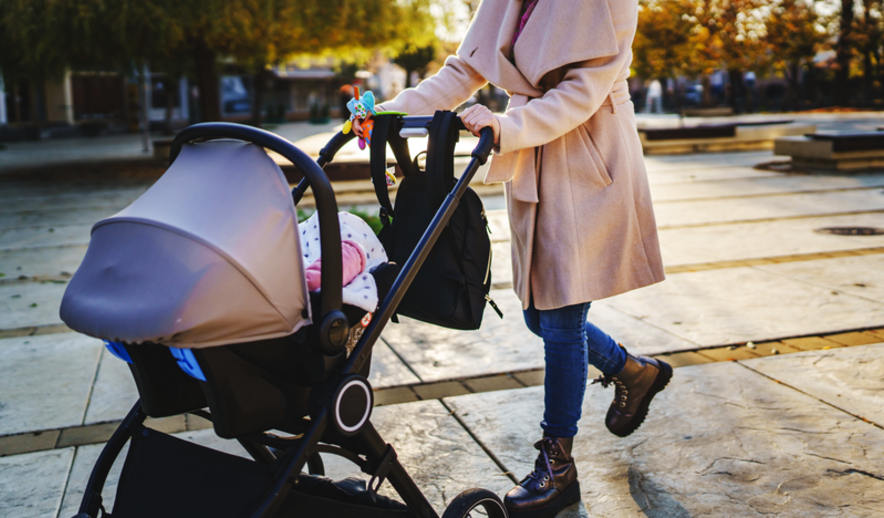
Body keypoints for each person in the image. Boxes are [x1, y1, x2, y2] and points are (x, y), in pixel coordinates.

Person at [355, 0, 670, 516]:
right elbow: (465, 69)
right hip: (532, 153)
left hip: (589, 160)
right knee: (537, 313)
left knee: (562, 317)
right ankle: (633, 371)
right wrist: (389, 114)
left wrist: (505, 125)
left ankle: (558, 467)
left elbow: (580, 93)